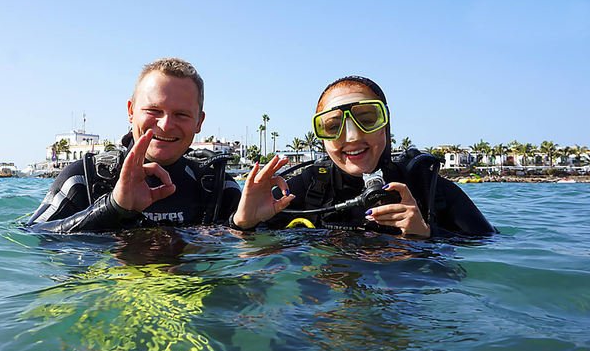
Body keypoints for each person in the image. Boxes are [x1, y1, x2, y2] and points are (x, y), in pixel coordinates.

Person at [230, 75, 496, 237]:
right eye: (333, 127)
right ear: (321, 137)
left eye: (367, 119)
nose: (352, 137)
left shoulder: (428, 188)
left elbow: (493, 246)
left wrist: (426, 234)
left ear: (386, 125)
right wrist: (242, 223)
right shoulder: (304, 189)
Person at [28, 58, 241, 233]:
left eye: (181, 114)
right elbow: (34, 236)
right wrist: (113, 207)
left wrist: (248, 225)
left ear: (199, 122)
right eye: (153, 111)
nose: (166, 125)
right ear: (131, 111)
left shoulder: (218, 188)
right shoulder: (84, 179)